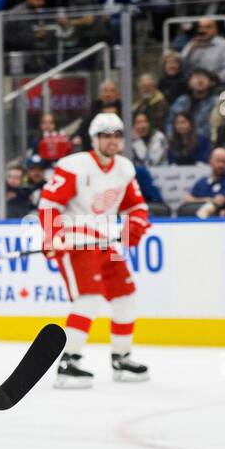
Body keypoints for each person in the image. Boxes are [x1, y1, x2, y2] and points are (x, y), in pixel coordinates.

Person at [38, 114, 151, 388]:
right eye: (106, 135)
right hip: (76, 242)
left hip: (105, 243)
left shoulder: (124, 168)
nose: (112, 140)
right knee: (89, 298)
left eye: (116, 135)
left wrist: (132, 228)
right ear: (94, 139)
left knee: (126, 296)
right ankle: (69, 363)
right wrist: (53, 237)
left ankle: (121, 358)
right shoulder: (74, 166)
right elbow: (49, 204)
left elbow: (135, 205)